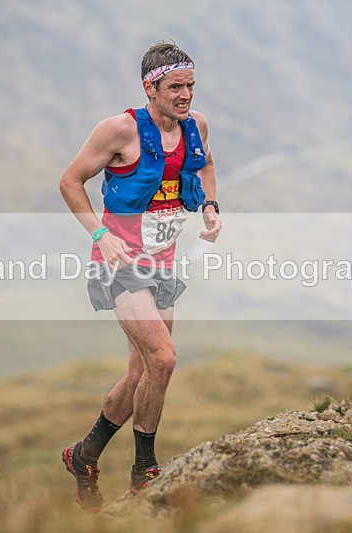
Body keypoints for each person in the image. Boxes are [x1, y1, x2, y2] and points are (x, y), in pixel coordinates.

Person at [58, 41, 222, 512]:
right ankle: (144, 470)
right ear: (150, 88)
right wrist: (98, 236)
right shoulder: (119, 130)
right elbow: (70, 181)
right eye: (176, 86)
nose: (186, 95)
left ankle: (84, 454)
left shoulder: (196, 126)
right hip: (120, 263)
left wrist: (209, 204)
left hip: (163, 262)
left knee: (141, 373)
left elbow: (205, 162)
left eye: (190, 85)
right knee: (164, 360)